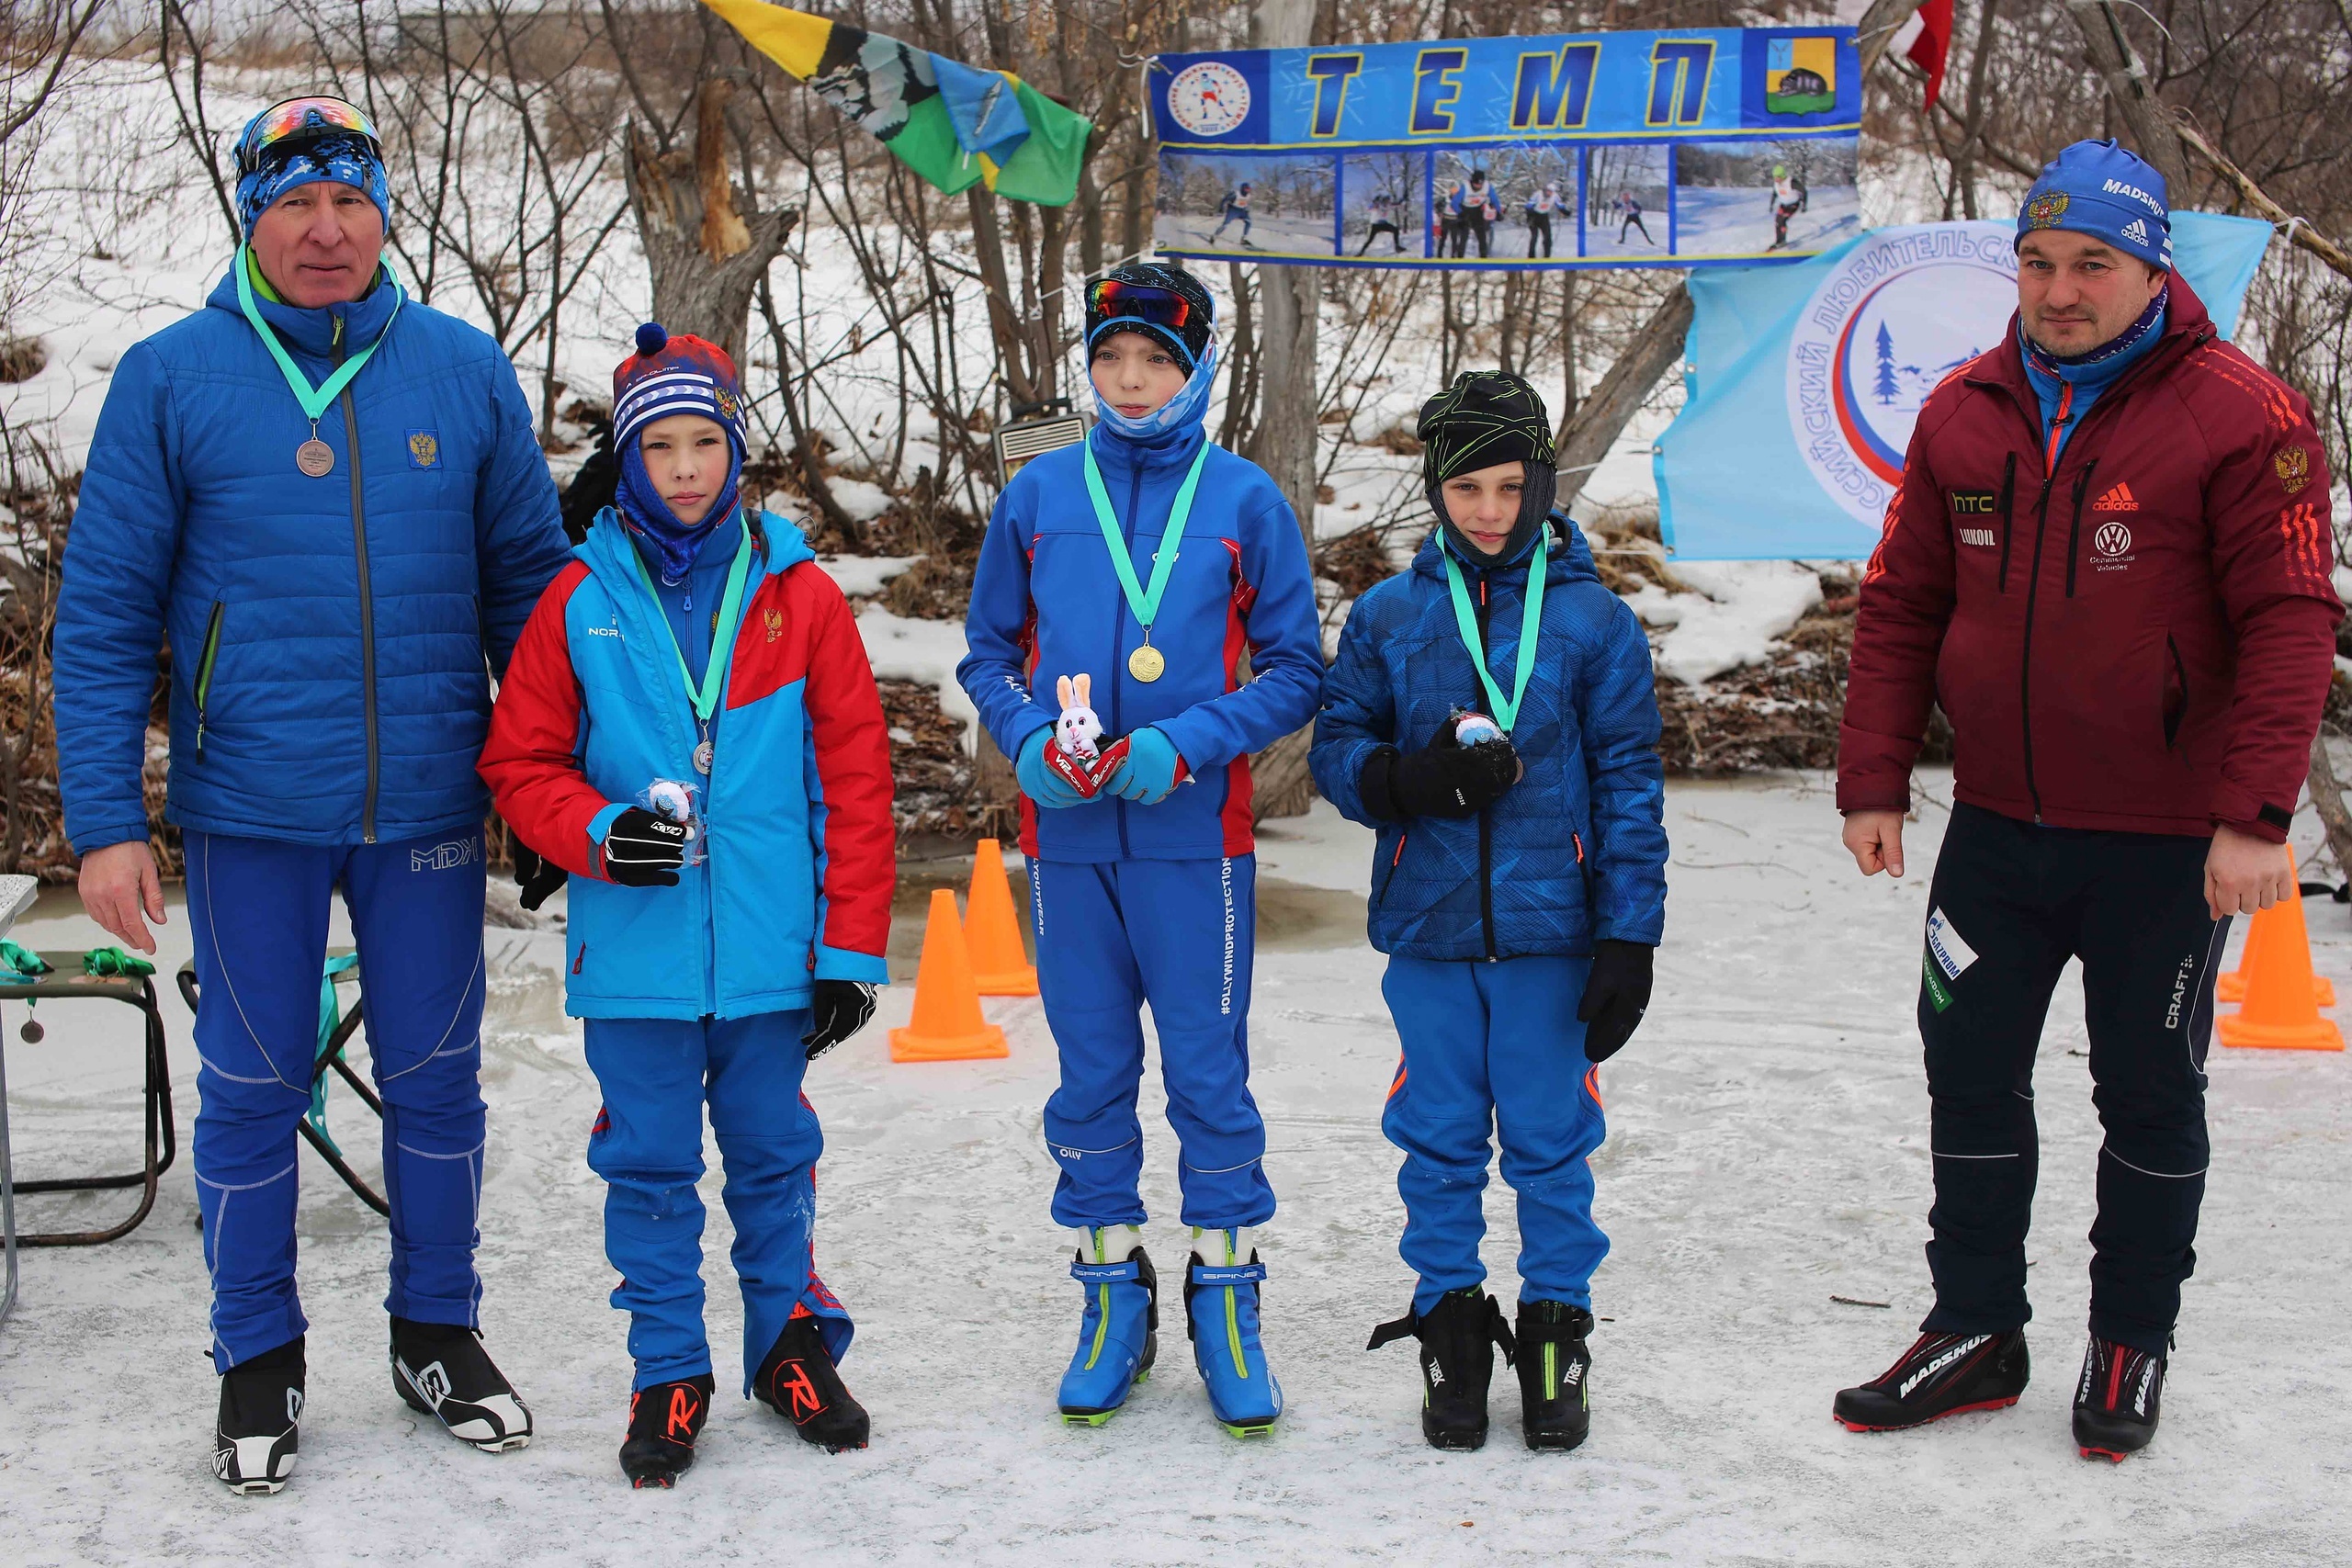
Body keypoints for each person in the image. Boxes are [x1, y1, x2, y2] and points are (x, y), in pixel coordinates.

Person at [51, 96, 568, 1495]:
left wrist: (550, 782)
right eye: (294, 205)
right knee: (255, 1085)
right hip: (250, 808)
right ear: (249, 217)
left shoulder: (461, 371)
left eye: (349, 201)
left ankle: (437, 1331)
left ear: (386, 211)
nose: (325, 231)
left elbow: (535, 594)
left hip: (430, 807)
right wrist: (104, 816)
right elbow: (102, 615)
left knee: (438, 1080)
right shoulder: (174, 377)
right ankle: (256, 1354)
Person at [1833, 140, 2340, 1461]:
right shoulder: (1965, 407)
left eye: (2092, 265)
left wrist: (2256, 812)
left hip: (2167, 842)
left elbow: (2290, 621)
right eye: (2040, 262)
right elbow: (1903, 602)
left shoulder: (2245, 415)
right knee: (1969, 1072)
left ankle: (2131, 1336)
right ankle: (1978, 1324)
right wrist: (1875, 773)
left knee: (2149, 1094)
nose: (2059, 291)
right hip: (1998, 824)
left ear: (2150, 264)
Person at [480, 323, 894, 1488]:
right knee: (650, 1164)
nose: (684, 469)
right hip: (637, 961)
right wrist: (603, 834)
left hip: (770, 957)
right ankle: (669, 1367)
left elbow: (856, 779)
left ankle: (789, 1345)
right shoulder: (575, 599)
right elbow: (519, 768)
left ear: (736, 450)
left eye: (704, 442)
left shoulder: (801, 597)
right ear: (628, 458)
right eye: (658, 446)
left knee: (773, 1154)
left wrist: (849, 946)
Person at [956, 264, 1324, 1437]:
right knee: (1091, 1073)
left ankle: (1226, 1295)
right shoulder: (1039, 494)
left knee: (1207, 1077)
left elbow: (1297, 671)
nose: (1129, 381)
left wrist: (1185, 744)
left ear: (1197, 366)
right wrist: (1023, 739)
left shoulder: (1244, 499)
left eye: (1155, 360)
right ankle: (1111, 1293)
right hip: (1066, 842)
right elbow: (986, 653)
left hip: (1191, 841)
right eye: (1112, 356)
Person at [1310, 371, 1665, 1452]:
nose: (1491, 513)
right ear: (1435, 488)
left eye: (1512, 487)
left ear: (1545, 482)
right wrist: (1404, 782)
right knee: (1438, 1139)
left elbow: (1629, 781)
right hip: (1427, 933)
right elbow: (1334, 749)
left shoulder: (1595, 622)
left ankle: (1558, 1328)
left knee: (1553, 1143)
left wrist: (1629, 934)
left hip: (1554, 937)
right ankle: (1451, 1326)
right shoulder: (1389, 614)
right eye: (1467, 488)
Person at [1358, 188, 1407, 256]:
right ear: (1383, 200)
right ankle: (1361, 252)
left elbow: (1398, 204)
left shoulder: (1389, 205)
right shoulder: (1378, 205)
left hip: (1384, 224)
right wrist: (1374, 202)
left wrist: (1403, 199)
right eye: (1387, 200)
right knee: (1370, 240)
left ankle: (1397, 247)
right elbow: (1369, 208)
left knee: (1395, 230)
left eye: (1389, 201)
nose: (1388, 202)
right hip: (1375, 225)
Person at [1463, 168, 1498, 258]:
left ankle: (1484, 256)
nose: (1478, 186)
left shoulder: (1487, 187)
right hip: (1466, 210)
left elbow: (1495, 200)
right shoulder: (1465, 187)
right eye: (1476, 184)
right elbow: (1456, 202)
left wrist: (1498, 212)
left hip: (1479, 213)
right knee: (1464, 234)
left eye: (1480, 184)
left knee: (1482, 236)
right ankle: (1460, 257)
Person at [1209, 181, 1255, 248]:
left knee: (1248, 222)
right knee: (1225, 224)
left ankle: (1243, 239)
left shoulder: (1249, 196)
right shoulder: (1235, 194)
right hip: (1233, 210)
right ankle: (1214, 236)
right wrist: (1221, 209)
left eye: (1249, 189)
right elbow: (1224, 200)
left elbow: (1245, 203)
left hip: (1242, 211)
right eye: (1246, 189)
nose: (1248, 191)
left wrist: (1246, 210)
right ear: (1243, 189)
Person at [1769, 164, 1803, 250]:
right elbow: (1775, 194)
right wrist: (1771, 205)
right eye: (1775, 177)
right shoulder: (1776, 184)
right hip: (1784, 205)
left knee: (1783, 220)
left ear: (1782, 176)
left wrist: (1804, 204)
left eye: (1778, 177)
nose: (1776, 179)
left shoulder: (1792, 182)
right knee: (1777, 221)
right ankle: (1778, 241)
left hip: (1793, 205)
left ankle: (1783, 241)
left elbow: (1804, 191)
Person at [1525, 182, 1559, 258]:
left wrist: (1566, 212)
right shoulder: (1538, 194)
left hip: (1544, 216)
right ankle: (1531, 257)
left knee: (1547, 236)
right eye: (1548, 191)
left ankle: (1547, 256)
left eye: (1551, 192)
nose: (1549, 193)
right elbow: (1528, 206)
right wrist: (1530, 217)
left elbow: (1560, 205)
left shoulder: (1555, 196)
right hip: (1534, 215)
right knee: (1534, 236)